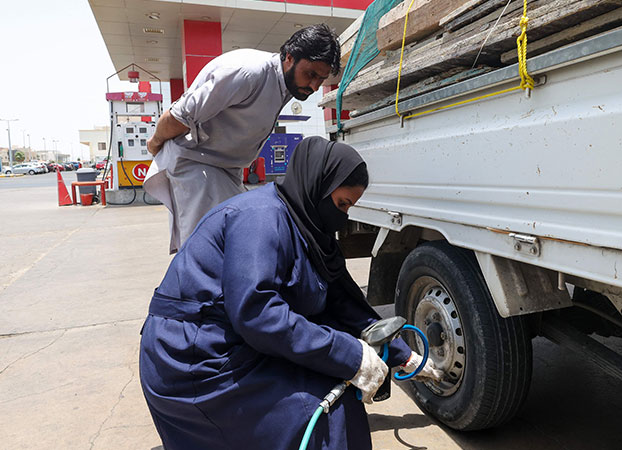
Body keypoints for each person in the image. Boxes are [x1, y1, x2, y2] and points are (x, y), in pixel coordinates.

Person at [139, 137, 442, 449]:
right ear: (318, 185)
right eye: (341, 204)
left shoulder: (308, 231)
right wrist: (350, 355)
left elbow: (338, 301)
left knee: (335, 390)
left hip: (235, 344)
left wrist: (401, 354)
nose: (343, 217)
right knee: (324, 409)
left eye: (349, 207)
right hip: (194, 359)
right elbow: (257, 313)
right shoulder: (260, 218)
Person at [143, 24, 341, 253]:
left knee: (241, 241)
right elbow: (178, 116)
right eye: (311, 74)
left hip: (228, 170)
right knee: (205, 252)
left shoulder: (288, 84)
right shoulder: (248, 73)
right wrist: (154, 143)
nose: (315, 86)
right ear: (289, 57)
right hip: (197, 164)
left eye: (321, 79)